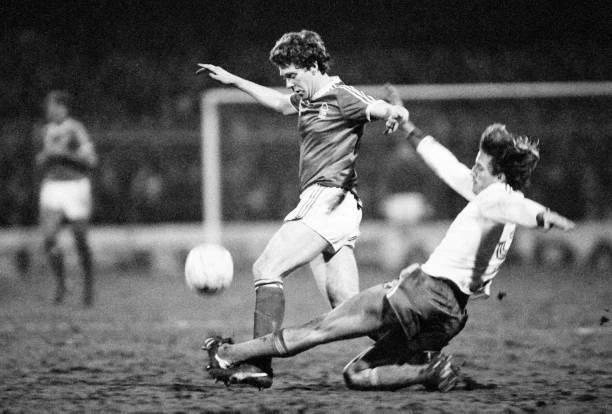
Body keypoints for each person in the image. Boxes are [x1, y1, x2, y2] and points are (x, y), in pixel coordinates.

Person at [203, 118, 575, 391]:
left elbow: (517, 207)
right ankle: (429, 371)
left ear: (498, 176)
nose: (473, 172)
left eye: (479, 167)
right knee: (356, 374)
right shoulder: (494, 199)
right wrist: (411, 129)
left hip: (421, 295)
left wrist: (544, 217)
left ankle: (230, 354)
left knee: (322, 328)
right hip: (449, 317)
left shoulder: (496, 198)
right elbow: (449, 167)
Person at [196, 30, 409, 388]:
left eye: (292, 74)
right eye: (284, 76)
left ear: (313, 66)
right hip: (338, 207)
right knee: (349, 308)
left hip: (329, 199)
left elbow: (380, 107)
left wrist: (397, 112)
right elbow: (280, 104)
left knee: (267, 268)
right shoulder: (306, 98)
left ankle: (257, 364)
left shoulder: (341, 96)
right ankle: (417, 353)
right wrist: (234, 80)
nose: (288, 82)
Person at [36, 90, 98, 307]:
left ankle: (88, 287)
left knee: (80, 239)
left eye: (51, 105)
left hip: (75, 186)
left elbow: (91, 160)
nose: (48, 109)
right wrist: (44, 158)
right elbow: (41, 159)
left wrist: (63, 155)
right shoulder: (44, 131)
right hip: (53, 186)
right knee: (49, 238)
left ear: (62, 107)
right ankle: (61, 283)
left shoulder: (75, 129)